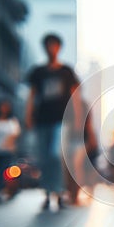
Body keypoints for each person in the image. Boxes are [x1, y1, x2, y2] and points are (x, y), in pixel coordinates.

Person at [25, 33, 82, 210]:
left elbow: (75, 96)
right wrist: (28, 115)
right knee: (43, 157)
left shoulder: (66, 71)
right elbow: (32, 95)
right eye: (48, 45)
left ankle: (58, 191)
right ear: (45, 48)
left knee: (56, 155)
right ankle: (48, 193)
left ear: (59, 47)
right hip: (42, 120)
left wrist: (79, 118)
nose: (51, 48)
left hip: (61, 120)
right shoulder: (38, 72)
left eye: (54, 45)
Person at [0, 100, 21, 202]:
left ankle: (7, 190)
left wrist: (9, 142)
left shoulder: (12, 121)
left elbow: (16, 134)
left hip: (8, 150)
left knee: (7, 171)